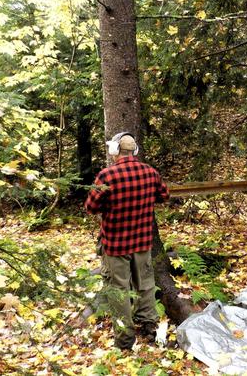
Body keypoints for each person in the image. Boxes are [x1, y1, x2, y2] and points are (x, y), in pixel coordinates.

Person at [85, 132, 169, 350]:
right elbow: (164, 195)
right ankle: (149, 325)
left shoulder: (106, 176)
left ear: (115, 151)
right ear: (135, 151)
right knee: (146, 284)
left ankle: (124, 341)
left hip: (115, 244)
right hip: (142, 241)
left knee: (118, 290)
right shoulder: (150, 172)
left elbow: (90, 207)